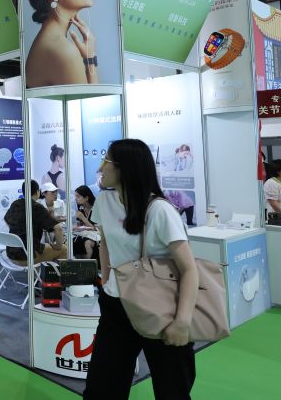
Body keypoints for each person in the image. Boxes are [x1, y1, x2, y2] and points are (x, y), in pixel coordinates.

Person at [83, 139, 199, 399]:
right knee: (102, 388)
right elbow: (105, 243)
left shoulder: (160, 210)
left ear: (125, 168)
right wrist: (107, 280)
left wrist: (182, 321)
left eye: (106, 161)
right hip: (116, 307)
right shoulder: (104, 201)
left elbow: (189, 270)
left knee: (172, 390)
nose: (100, 168)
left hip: (159, 308)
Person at [25, 0, 98, 88]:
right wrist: (90, 58)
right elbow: (92, 100)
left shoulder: (48, 41)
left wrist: (89, 56)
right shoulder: (63, 50)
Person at [3, 180, 65, 265]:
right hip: (27, 255)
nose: (55, 194)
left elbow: (6, 220)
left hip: (11, 253)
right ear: (37, 192)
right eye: (52, 192)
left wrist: (19, 230)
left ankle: (47, 271)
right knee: (64, 249)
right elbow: (58, 228)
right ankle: (56, 273)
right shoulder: (37, 207)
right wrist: (58, 246)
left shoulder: (15, 204)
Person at [73, 185, 100, 260]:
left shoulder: (96, 208)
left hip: (98, 236)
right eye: (75, 196)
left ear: (86, 198)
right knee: (74, 242)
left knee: (87, 243)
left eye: (78, 196)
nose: (75, 198)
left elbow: (96, 228)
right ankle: (80, 264)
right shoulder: (81, 208)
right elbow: (80, 225)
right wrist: (77, 227)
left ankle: (87, 265)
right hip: (87, 235)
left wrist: (83, 218)